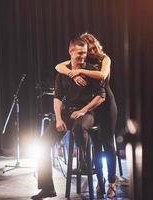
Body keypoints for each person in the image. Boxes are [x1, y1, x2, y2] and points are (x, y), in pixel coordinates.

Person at [31, 37, 106, 200]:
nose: (83, 57)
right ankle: (47, 188)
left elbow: (101, 97)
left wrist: (83, 110)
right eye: (79, 53)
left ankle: (86, 162)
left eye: (85, 53)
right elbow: (57, 98)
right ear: (70, 52)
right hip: (67, 113)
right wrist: (58, 118)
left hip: (88, 113)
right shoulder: (63, 73)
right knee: (42, 144)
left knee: (79, 128)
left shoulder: (91, 70)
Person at [55, 32, 117, 198]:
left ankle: (112, 182)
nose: (87, 52)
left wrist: (79, 71)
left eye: (89, 48)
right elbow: (59, 66)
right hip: (92, 107)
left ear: (95, 46)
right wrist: (70, 72)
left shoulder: (104, 59)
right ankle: (100, 180)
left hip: (106, 104)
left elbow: (102, 75)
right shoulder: (85, 61)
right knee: (96, 145)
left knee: (108, 144)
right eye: (85, 50)